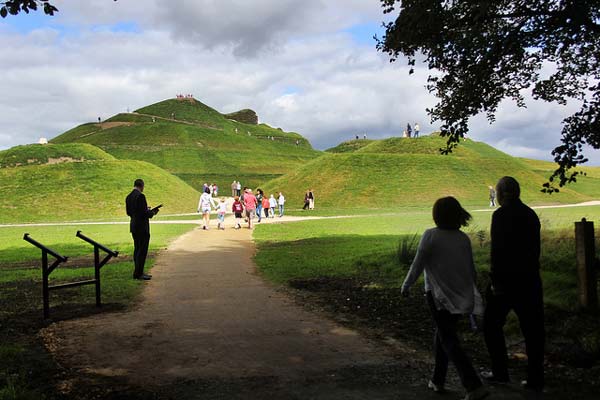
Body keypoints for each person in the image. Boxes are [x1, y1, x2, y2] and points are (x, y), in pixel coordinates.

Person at [401, 197, 488, 400]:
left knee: (448, 339)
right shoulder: (462, 238)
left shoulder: (430, 236)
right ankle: (437, 380)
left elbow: (417, 265)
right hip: (460, 296)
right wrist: (472, 294)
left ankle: (473, 385)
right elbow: (471, 270)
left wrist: (406, 285)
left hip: (438, 296)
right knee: (443, 334)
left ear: (437, 215)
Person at [482, 177, 544, 392]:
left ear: (500, 194)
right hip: (530, 279)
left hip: (506, 281)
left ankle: (500, 372)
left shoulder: (500, 215)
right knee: (534, 331)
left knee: (491, 325)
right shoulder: (530, 214)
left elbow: (498, 251)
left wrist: (495, 280)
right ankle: (536, 379)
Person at [125, 179, 159, 280]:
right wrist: (152, 212)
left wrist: (144, 210)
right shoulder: (141, 196)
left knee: (137, 249)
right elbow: (145, 214)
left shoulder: (128, 197)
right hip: (142, 227)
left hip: (134, 225)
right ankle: (139, 273)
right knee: (142, 250)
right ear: (141, 186)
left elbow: (129, 212)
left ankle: (137, 271)